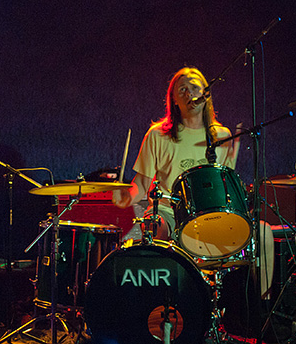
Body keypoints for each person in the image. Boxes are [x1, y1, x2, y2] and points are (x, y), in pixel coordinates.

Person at [113, 66, 273, 296]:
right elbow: (142, 184)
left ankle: (258, 312)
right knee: (152, 229)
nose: (189, 93)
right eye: (182, 89)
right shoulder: (158, 135)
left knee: (264, 233)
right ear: (174, 100)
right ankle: (157, 300)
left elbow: (223, 189)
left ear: (206, 94)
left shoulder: (222, 136)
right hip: (168, 212)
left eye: (195, 87)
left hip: (210, 216)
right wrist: (127, 197)